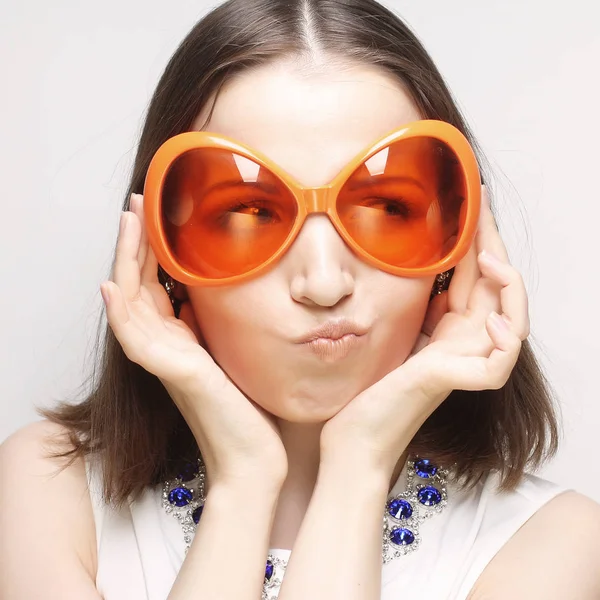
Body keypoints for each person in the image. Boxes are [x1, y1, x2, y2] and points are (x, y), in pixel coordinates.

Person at [1, 0, 600, 598]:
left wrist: (358, 464)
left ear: (459, 239)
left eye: (386, 208)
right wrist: (243, 480)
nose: (324, 283)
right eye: (247, 213)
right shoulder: (50, 491)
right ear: (160, 253)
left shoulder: (549, 544)